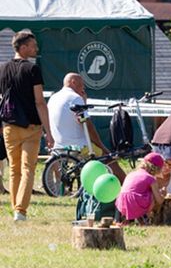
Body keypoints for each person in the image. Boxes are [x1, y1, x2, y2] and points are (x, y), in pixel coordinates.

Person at [0, 30, 54, 221]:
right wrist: (48, 131)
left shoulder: (2, 68)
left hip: (9, 125)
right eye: (33, 46)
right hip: (30, 126)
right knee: (28, 169)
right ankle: (20, 211)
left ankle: (16, 208)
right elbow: (40, 102)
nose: (36, 48)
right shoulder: (32, 70)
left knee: (14, 170)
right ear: (23, 47)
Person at [47, 73, 126, 183]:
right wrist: (102, 146)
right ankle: (126, 184)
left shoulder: (53, 98)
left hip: (59, 145)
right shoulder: (75, 98)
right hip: (79, 146)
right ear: (73, 82)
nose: (83, 88)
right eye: (81, 85)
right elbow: (86, 124)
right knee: (110, 159)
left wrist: (83, 103)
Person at [115, 152, 165, 225]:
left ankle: (124, 220)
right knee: (151, 194)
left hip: (121, 203)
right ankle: (145, 218)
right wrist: (163, 194)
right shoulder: (150, 178)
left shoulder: (131, 174)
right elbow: (159, 200)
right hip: (136, 203)